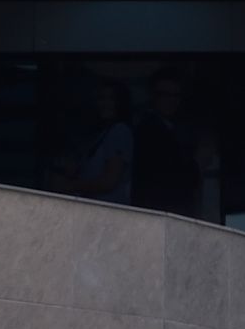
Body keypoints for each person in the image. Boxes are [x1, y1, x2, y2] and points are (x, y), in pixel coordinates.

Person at [127, 67, 223, 222]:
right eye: (163, 95)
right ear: (153, 96)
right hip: (160, 215)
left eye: (175, 95)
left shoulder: (170, 130)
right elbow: (172, 178)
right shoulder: (150, 131)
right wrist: (198, 163)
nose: (170, 100)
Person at [67, 78, 137, 203]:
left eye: (111, 99)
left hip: (108, 208)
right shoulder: (103, 133)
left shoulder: (120, 131)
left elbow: (109, 181)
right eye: (101, 98)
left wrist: (72, 186)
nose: (105, 103)